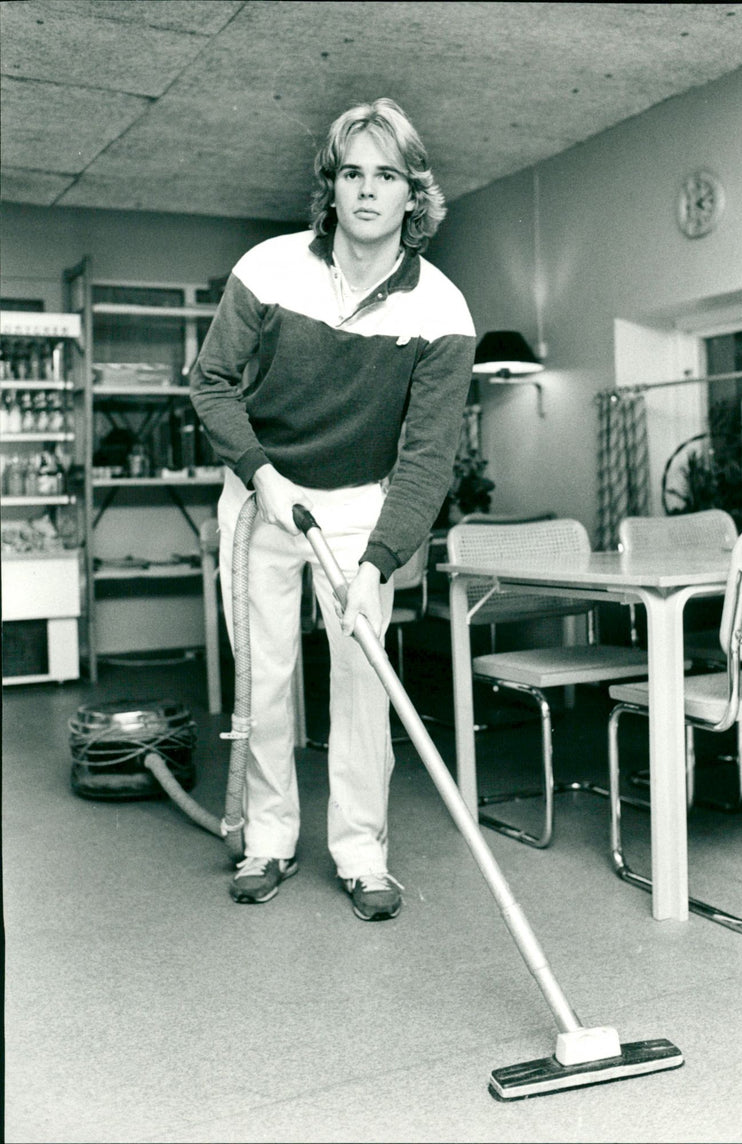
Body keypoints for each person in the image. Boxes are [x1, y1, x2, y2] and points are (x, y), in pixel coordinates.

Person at [190, 97, 475, 920]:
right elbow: (210, 384)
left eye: (387, 175)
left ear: (412, 195)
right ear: (332, 185)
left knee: (363, 682)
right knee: (267, 676)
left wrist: (379, 560)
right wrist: (258, 472)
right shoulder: (270, 269)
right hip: (261, 498)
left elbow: (427, 458)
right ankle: (269, 840)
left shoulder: (442, 311)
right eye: (353, 172)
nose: (367, 190)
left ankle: (361, 854)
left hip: (359, 510)